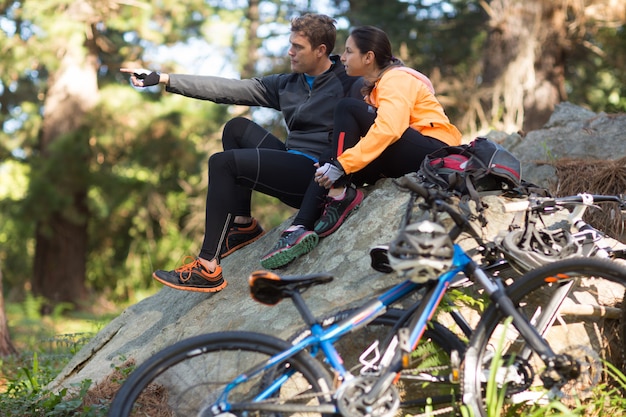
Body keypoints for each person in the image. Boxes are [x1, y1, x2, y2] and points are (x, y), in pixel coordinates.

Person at [121, 14, 362, 292]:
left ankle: (208, 265)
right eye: (290, 44)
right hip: (292, 162)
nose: (289, 52)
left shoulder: (348, 80)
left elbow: (384, 81)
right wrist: (165, 78)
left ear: (321, 51)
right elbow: (230, 89)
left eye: (298, 46)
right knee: (236, 128)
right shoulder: (287, 84)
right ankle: (242, 225)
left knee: (223, 164)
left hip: (317, 179)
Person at [261, 25, 463, 269]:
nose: (342, 58)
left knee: (347, 109)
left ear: (368, 57)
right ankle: (299, 228)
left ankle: (338, 194)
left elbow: (390, 128)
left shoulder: (396, 79)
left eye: (348, 51)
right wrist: (333, 161)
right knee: (329, 154)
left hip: (434, 151)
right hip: (406, 156)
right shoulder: (375, 89)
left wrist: (342, 165)